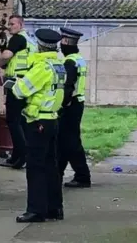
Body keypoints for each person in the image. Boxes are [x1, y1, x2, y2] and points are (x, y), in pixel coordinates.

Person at [11, 28, 64, 223]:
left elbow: (21, 90)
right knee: (51, 165)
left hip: (38, 121)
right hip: (52, 119)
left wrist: (14, 83)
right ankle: (54, 208)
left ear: (40, 46)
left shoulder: (42, 67)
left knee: (35, 167)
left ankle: (36, 210)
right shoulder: (58, 65)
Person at [0, 15, 37, 169]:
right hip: (26, 83)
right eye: (9, 24)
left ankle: (22, 156)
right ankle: (17, 155)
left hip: (16, 84)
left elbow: (7, 55)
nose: (10, 27)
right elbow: (16, 61)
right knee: (21, 121)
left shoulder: (17, 39)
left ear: (21, 24)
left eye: (13, 24)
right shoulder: (29, 39)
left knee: (13, 120)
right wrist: (3, 66)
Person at [57, 27, 92, 188]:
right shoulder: (80, 59)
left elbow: (68, 85)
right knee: (65, 140)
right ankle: (58, 172)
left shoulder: (69, 61)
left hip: (71, 105)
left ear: (65, 42)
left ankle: (82, 176)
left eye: (62, 42)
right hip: (78, 103)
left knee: (70, 141)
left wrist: (62, 104)